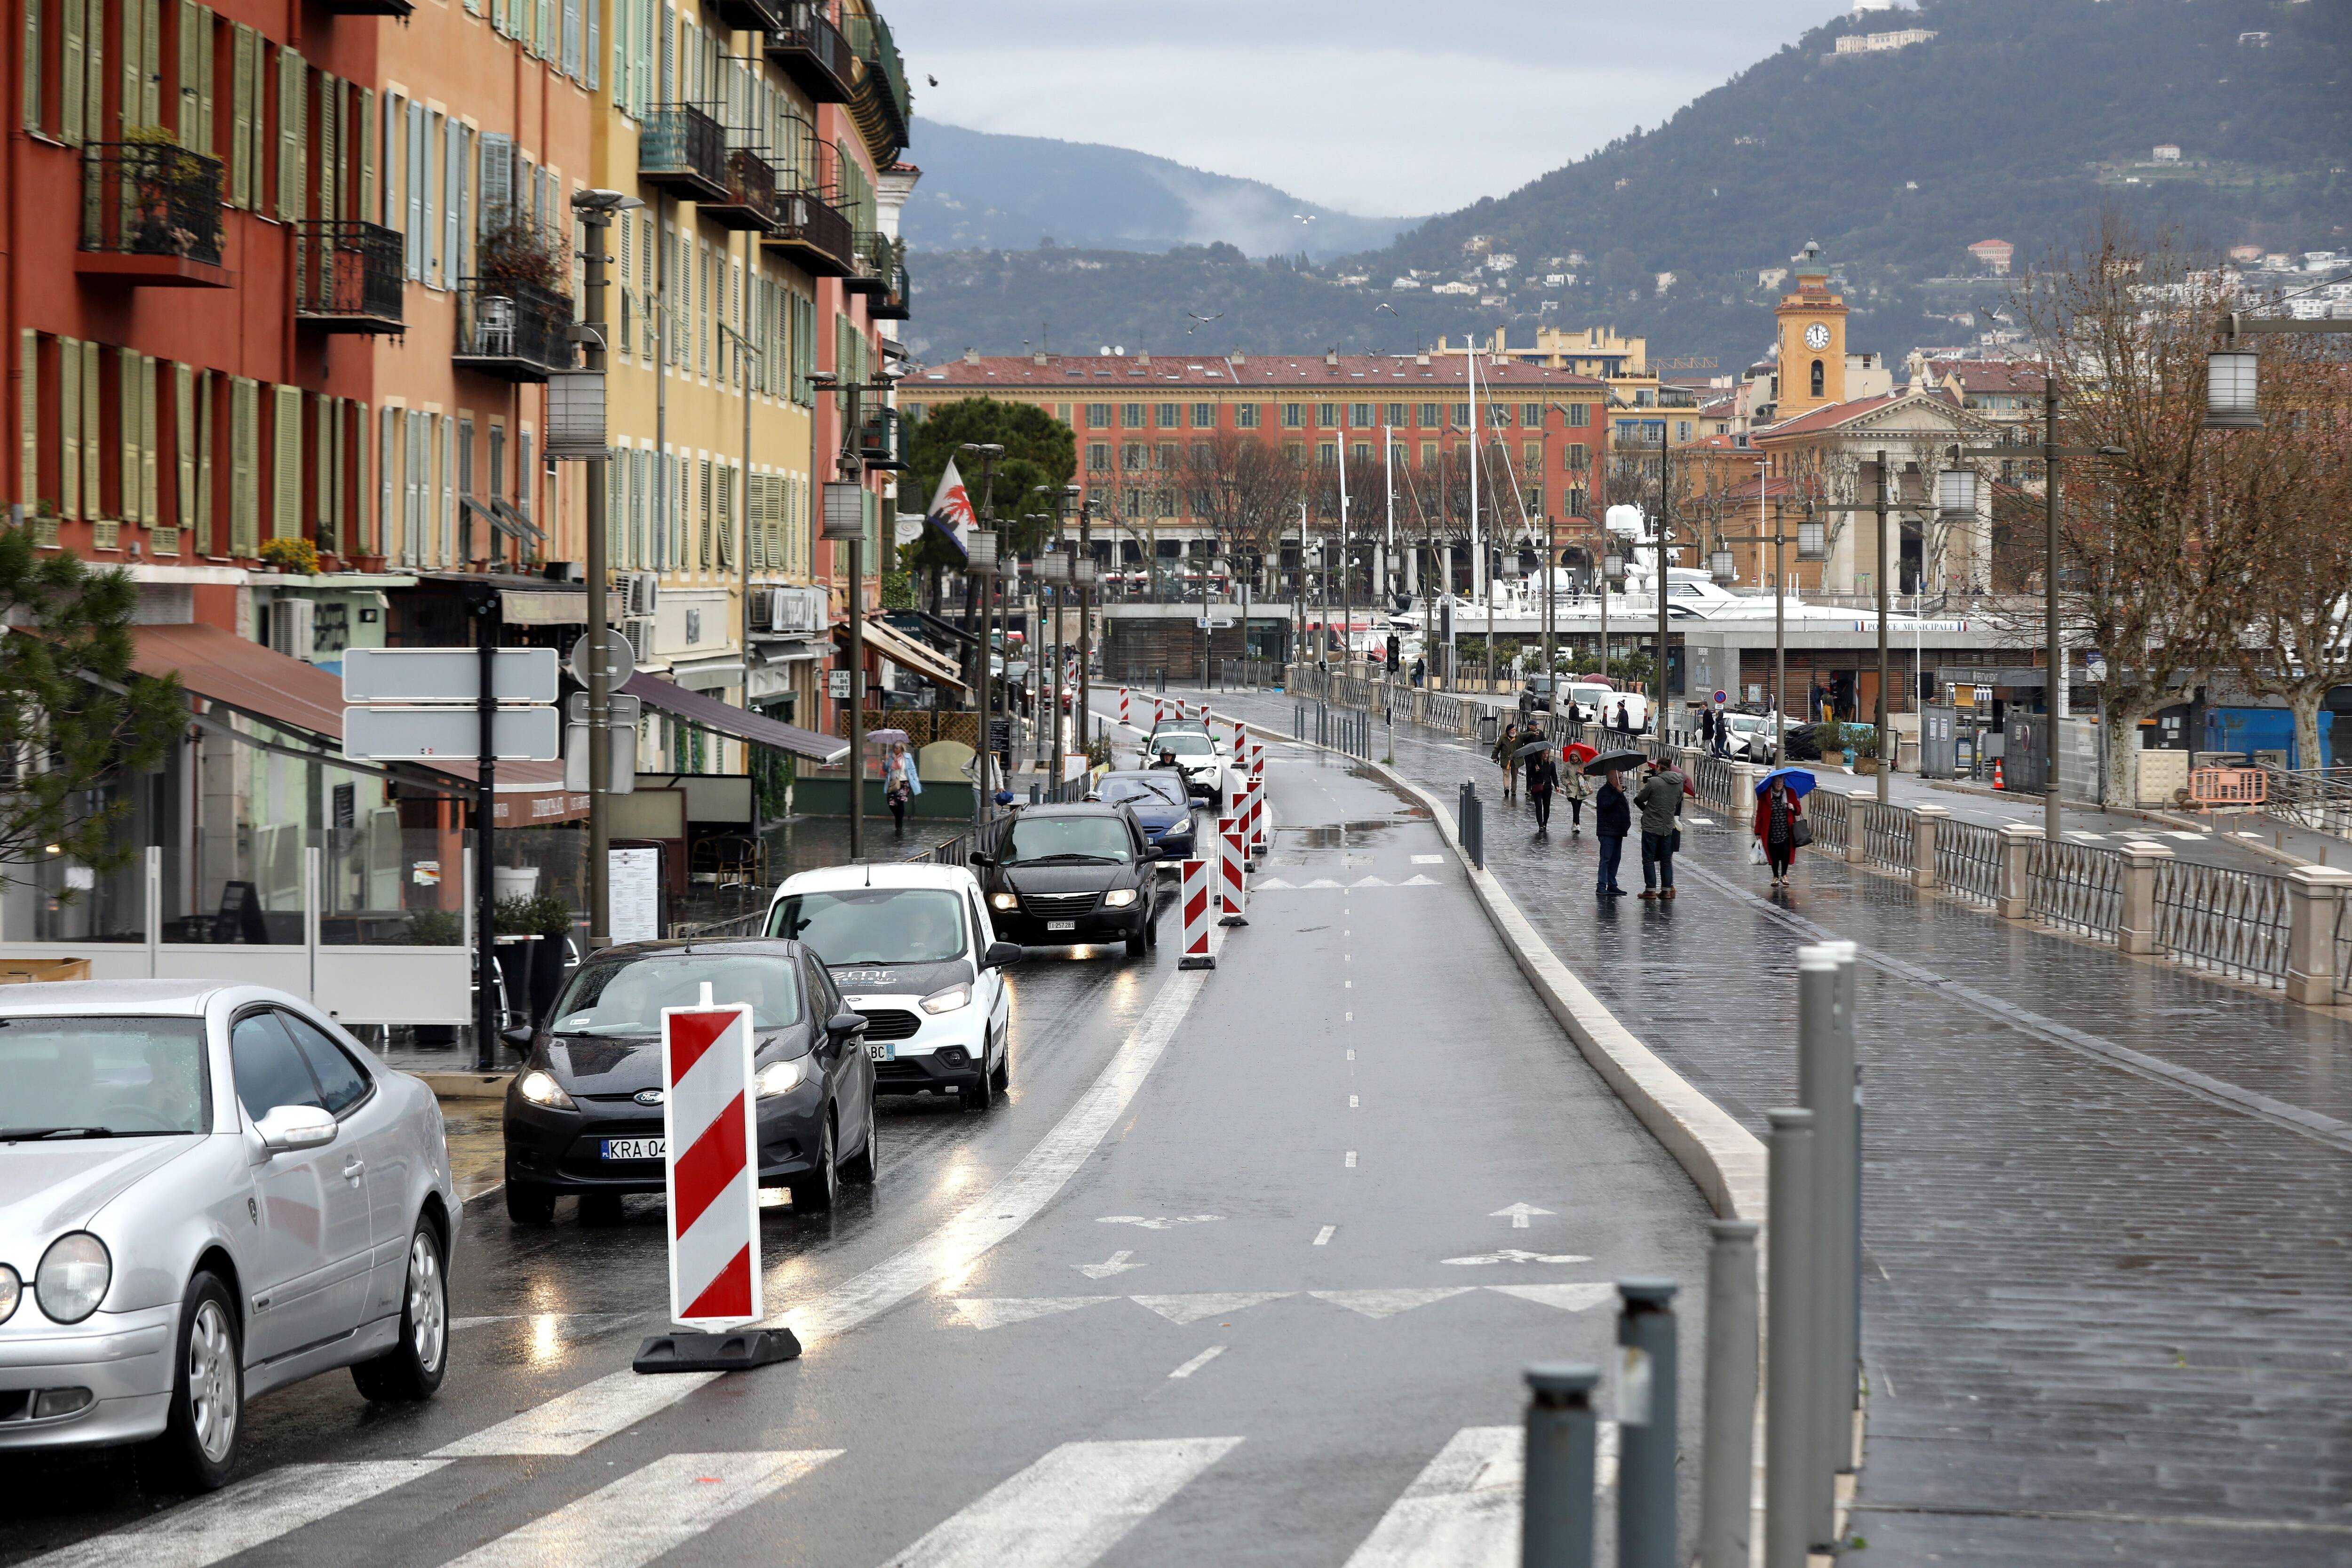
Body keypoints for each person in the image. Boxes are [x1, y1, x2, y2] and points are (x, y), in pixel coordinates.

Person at [1635, 756, 1685, 900]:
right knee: (1666, 860)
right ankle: (1667, 890)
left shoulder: (1654, 782)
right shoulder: (1679, 783)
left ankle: (1650, 890)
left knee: (1649, 859)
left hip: (1651, 825)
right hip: (1668, 826)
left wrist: (1647, 810)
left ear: (1658, 767)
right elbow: (1677, 802)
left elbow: (1639, 798)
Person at [1755, 776, 1805, 886]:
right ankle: (1775, 876)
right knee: (1774, 855)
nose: (1779, 783)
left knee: (1786, 853)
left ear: (1784, 782)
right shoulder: (1765, 795)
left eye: (1781, 781)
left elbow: (1798, 810)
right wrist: (1757, 831)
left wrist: (1794, 808)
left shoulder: (1790, 793)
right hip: (1771, 831)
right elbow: (1760, 814)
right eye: (1777, 781)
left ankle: (1784, 875)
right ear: (1772, 783)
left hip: (1787, 830)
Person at [1593, 767, 1630, 897]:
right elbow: (1606, 805)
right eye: (1619, 778)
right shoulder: (1604, 792)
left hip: (1618, 831)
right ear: (1612, 780)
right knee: (1606, 858)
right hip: (1608, 831)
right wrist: (1617, 793)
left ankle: (1612, 884)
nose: (1622, 780)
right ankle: (1602, 885)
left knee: (1616, 858)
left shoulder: (1618, 791)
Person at [883, 741, 921, 835]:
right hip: (893, 782)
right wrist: (886, 762)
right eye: (894, 748)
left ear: (902, 749)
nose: (895, 749)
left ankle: (899, 824)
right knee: (891, 803)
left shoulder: (907, 757)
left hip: (904, 782)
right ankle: (898, 818)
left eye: (897, 748)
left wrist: (915, 781)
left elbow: (912, 770)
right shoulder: (890, 757)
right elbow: (886, 770)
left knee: (900, 803)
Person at [1524, 743, 1559, 832]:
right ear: (1541, 754)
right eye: (1544, 754)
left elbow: (1554, 776)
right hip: (1537, 787)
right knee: (1539, 806)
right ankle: (1540, 824)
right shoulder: (1536, 763)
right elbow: (1530, 775)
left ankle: (1545, 823)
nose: (1545, 756)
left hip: (1547, 788)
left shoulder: (1551, 764)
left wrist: (1557, 786)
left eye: (1547, 754)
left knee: (1547, 807)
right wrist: (1535, 771)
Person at [1560, 754, 1590, 834]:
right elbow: (1563, 777)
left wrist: (1582, 773)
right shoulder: (1568, 765)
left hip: (1580, 790)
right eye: (1573, 757)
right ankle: (1578, 824)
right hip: (1571, 790)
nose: (1574, 758)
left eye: (1576, 756)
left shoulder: (1583, 765)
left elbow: (1588, 778)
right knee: (1575, 806)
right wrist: (1568, 784)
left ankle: (1574, 824)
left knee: (1578, 808)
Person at [1493, 719, 1521, 801]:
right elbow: (1497, 747)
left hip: (1515, 760)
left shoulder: (1518, 736)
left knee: (1515, 776)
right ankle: (1506, 789)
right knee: (1506, 775)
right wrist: (1494, 756)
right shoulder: (1503, 737)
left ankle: (1514, 790)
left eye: (1515, 730)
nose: (1514, 731)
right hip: (1506, 760)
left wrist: (1533, 733)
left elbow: (1526, 735)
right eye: (1512, 730)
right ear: (1509, 731)